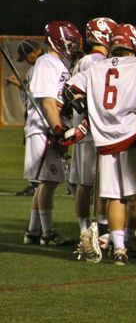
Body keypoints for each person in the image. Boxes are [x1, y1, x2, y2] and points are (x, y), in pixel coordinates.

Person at [65, 23, 136, 266]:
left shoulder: (96, 67)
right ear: (134, 44)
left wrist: (84, 108)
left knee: (115, 197)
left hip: (106, 141)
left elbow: (70, 89)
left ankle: (119, 250)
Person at [23, 22, 78, 246]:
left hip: (50, 127)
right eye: (70, 41)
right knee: (48, 182)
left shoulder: (59, 63)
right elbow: (47, 101)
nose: (73, 45)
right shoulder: (47, 63)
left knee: (46, 182)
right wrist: (57, 128)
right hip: (44, 129)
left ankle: (33, 231)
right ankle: (47, 233)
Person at [70, 17, 117, 258]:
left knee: (83, 183)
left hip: (81, 128)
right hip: (94, 127)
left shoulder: (83, 61)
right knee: (98, 184)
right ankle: (97, 232)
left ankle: (83, 230)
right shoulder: (97, 61)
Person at [8, 40, 44, 196]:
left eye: (27, 56)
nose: (27, 60)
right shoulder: (37, 67)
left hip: (40, 116)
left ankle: (36, 184)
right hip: (36, 114)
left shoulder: (42, 67)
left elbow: (36, 92)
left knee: (38, 152)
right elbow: (30, 89)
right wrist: (20, 83)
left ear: (35, 52)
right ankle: (35, 183)